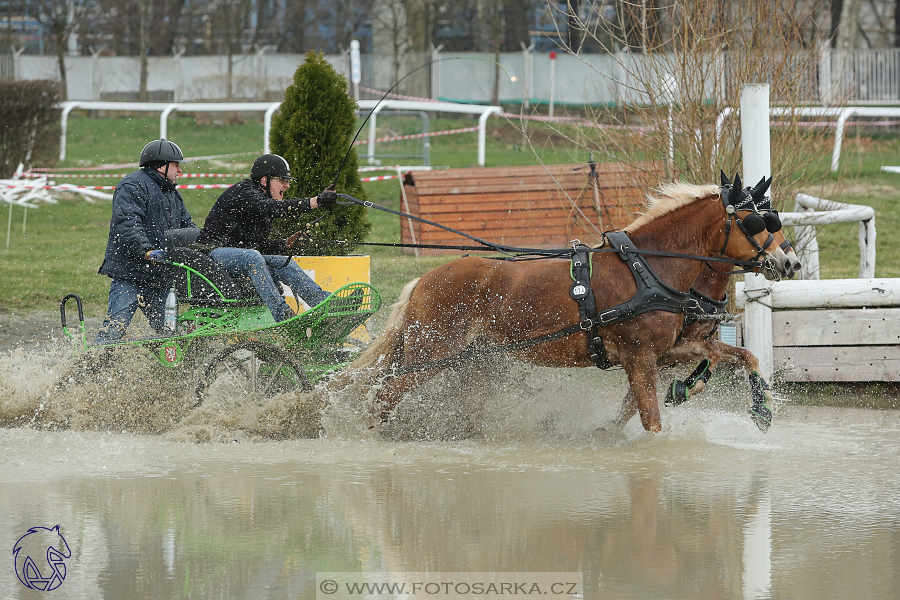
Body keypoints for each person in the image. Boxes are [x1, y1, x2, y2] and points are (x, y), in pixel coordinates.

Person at [196, 153, 339, 322]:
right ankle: (283, 315)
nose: (287, 186)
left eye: (288, 181)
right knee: (252, 257)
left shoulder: (262, 199)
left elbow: (257, 245)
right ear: (265, 180)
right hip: (211, 256)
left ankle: (328, 305)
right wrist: (315, 202)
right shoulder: (246, 193)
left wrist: (285, 244)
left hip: (239, 257)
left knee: (284, 263)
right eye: (282, 181)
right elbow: (272, 208)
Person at [94, 139, 196, 345]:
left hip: (159, 278)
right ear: (161, 165)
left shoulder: (172, 193)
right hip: (130, 275)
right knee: (113, 333)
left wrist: (200, 246)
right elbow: (127, 223)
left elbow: (188, 228)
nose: (180, 171)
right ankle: (88, 368)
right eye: (176, 165)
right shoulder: (132, 185)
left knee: (172, 336)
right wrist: (147, 251)